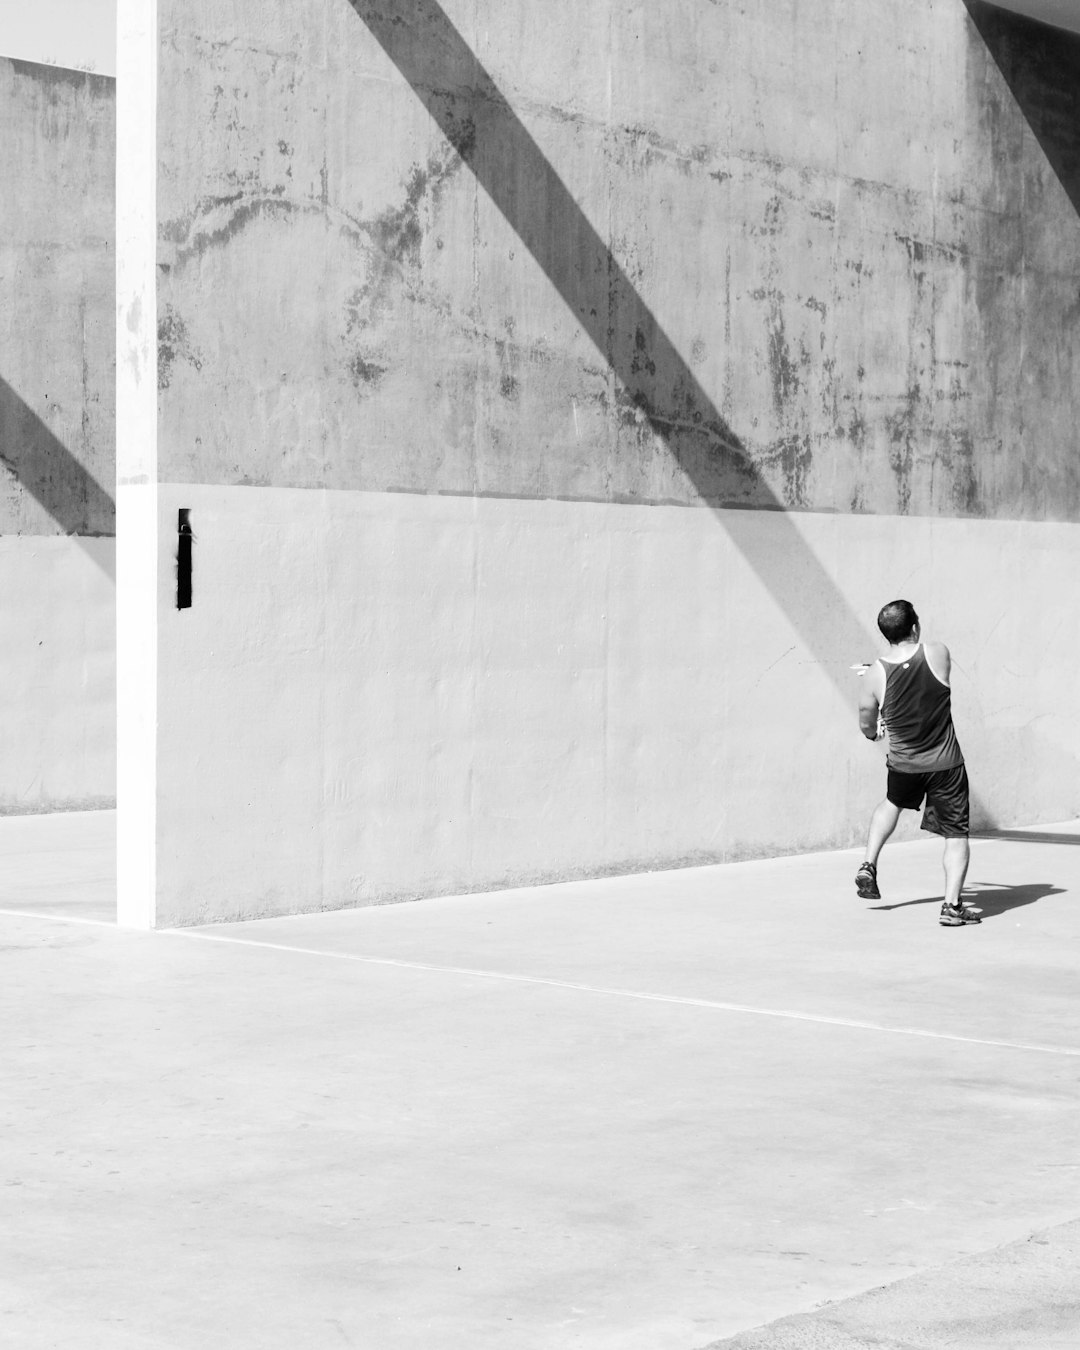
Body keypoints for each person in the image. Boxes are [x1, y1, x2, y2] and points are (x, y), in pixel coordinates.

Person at [854, 600, 980, 926]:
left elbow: (867, 722)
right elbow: (920, 679)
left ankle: (868, 863)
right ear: (915, 627)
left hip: (903, 763)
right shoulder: (937, 653)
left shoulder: (873, 675)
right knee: (956, 835)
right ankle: (951, 907)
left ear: (885, 633)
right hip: (946, 766)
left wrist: (874, 733)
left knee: (891, 803)